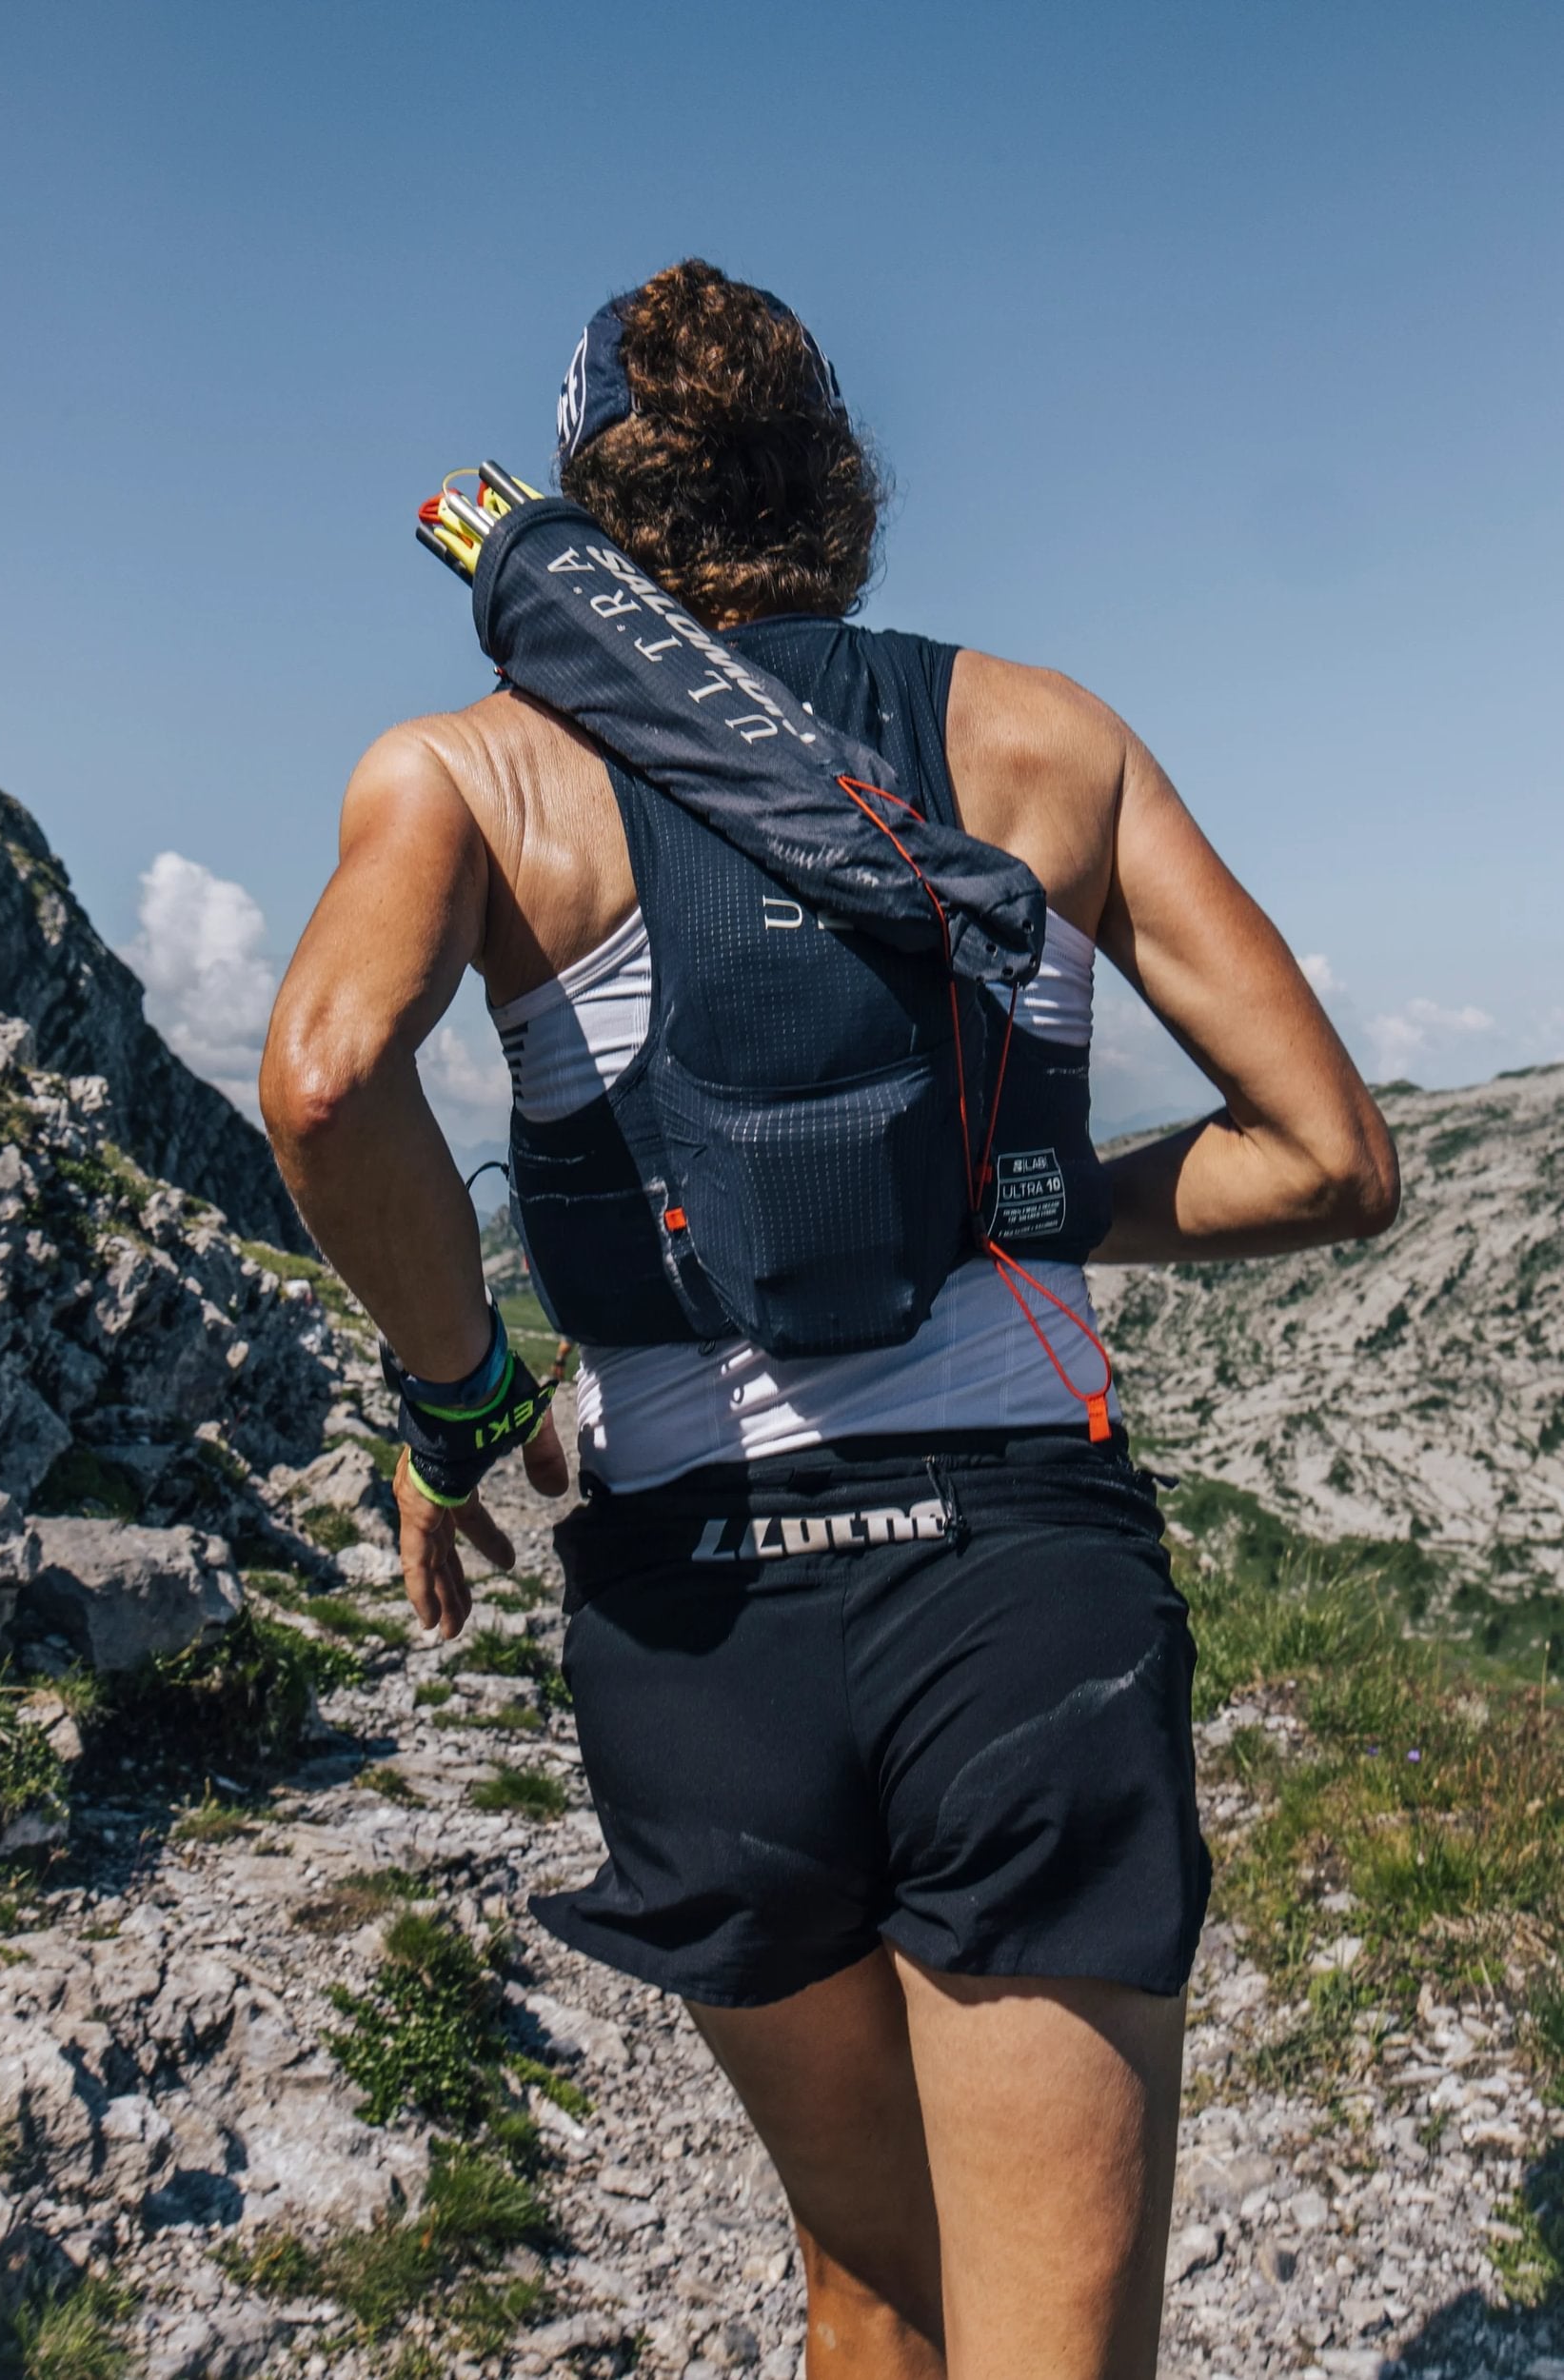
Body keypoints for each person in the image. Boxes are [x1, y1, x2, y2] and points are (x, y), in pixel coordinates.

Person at [260, 260, 1398, 2380]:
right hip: (1021, 1597)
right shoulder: (1048, 738)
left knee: (872, 2287)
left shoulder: (478, 771)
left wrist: (461, 1395)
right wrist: (1022, 1206)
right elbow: (1331, 1158)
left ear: (590, 505)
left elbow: (327, 1081)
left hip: (703, 1622)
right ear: (843, 480)